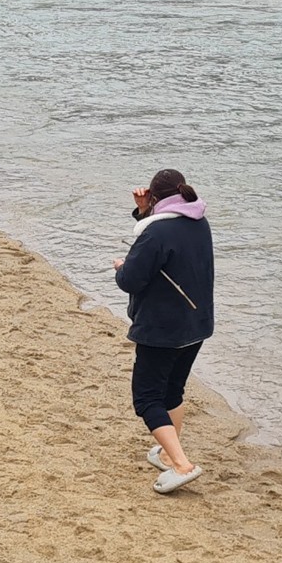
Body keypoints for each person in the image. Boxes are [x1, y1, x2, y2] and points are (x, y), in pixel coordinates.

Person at [113, 169, 215, 494]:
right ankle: (170, 456)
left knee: (146, 398)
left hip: (162, 330)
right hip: (196, 326)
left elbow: (130, 279)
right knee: (173, 390)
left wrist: (121, 268)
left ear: (157, 199)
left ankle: (182, 464)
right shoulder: (200, 222)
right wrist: (145, 211)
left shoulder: (157, 234)